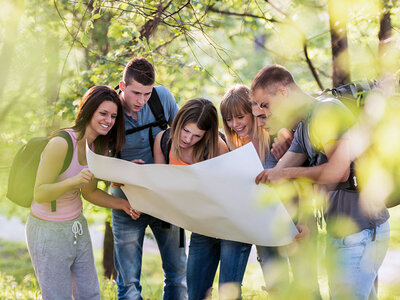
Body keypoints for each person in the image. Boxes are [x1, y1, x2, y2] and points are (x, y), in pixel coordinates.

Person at [251, 64, 390, 300]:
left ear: (283, 92)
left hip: (361, 232)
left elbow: (339, 172)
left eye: (266, 104)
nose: (266, 112)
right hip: (344, 234)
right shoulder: (305, 124)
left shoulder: (325, 111)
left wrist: (283, 175)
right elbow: (277, 173)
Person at [26, 85, 135, 300]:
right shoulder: (61, 144)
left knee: (90, 295)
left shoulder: (97, 147)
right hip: (48, 231)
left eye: (113, 116)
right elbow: (39, 193)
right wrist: (73, 181)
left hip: (77, 227)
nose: (109, 120)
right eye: (103, 113)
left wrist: (122, 204)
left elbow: (90, 193)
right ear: (88, 111)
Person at [110, 57, 187, 300]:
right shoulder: (109, 109)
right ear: (122, 86)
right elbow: (97, 163)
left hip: (165, 197)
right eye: (135, 93)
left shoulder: (162, 98)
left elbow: (185, 138)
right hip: (127, 200)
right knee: (128, 282)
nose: (141, 101)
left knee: (178, 275)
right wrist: (123, 173)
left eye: (146, 93)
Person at [153, 98, 244, 300]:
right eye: (186, 131)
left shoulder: (217, 148)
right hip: (202, 227)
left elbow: (232, 193)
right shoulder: (163, 141)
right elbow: (161, 185)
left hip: (230, 227)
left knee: (228, 294)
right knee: (195, 293)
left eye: (197, 135)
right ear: (177, 123)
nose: (188, 139)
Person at [220, 84, 291, 293]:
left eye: (239, 117)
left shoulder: (276, 139)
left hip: (272, 221)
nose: (234, 124)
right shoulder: (233, 144)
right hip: (242, 221)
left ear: (252, 112)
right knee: (228, 286)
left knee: (278, 287)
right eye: (229, 119)